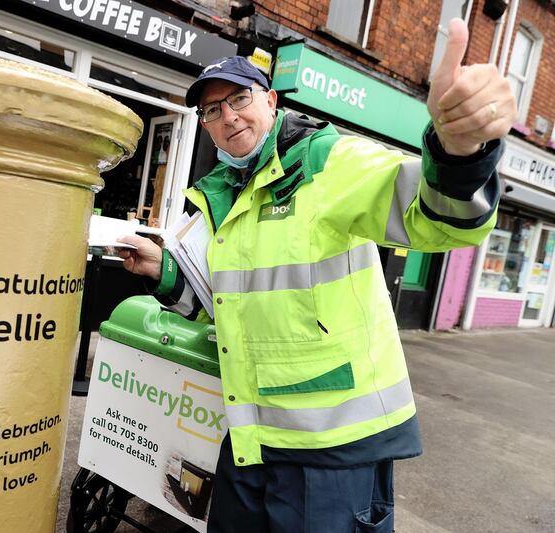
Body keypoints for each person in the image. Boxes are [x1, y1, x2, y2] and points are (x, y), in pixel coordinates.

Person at [118, 19, 516, 532]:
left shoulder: (328, 162)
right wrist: (165, 271)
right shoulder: (221, 194)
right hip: (250, 437)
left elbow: (437, 221)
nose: (228, 117)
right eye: (212, 111)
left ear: (270, 101)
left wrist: (460, 152)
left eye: (239, 99)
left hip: (333, 448)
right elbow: (225, 303)